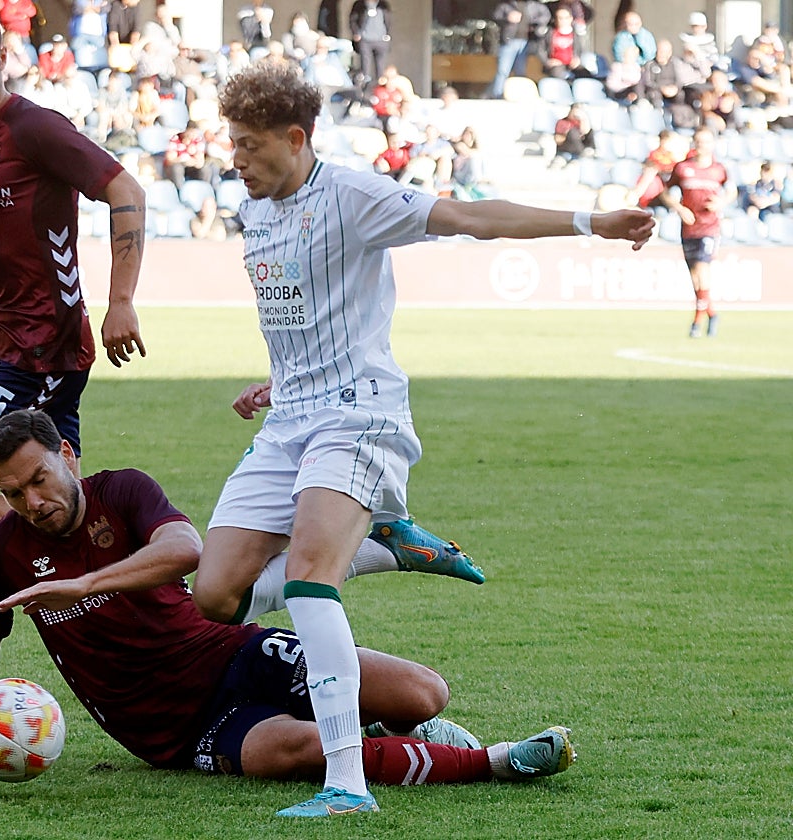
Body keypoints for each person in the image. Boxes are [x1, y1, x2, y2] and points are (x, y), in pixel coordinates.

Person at [191, 60, 651, 818]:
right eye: (231, 144)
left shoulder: (354, 195)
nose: (234, 159)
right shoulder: (258, 209)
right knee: (216, 594)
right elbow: (310, 314)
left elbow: (471, 218)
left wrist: (589, 223)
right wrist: (277, 381)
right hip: (292, 419)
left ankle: (345, 783)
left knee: (308, 580)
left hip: (358, 414)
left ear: (296, 137)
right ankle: (385, 546)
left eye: (247, 145)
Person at [0, 409, 577, 795]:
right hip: (176, 731)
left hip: (228, 653)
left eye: (39, 479)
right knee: (298, 751)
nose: (32, 501)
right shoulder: (0, 552)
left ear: (66, 454)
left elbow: (186, 548)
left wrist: (84, 584)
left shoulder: (122, 492)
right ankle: (494, 762)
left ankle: (387, 723)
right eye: (12, 493)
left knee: (424, 694)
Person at [0, 0, 146, 542]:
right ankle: (106, 563)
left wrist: (121, 300)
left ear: (2, 56)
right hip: (10, 343)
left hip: (42, 353)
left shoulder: (35, 128)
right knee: (61, 492)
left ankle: (100, 546)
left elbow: (125, 190)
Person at [659, 127, 729, 338]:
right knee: (695, 279)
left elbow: (732, 190)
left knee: (702, 270)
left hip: (710, 227)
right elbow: (664, 192)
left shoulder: (719, 169)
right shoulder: (683, 168)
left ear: (712, 144)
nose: (702, 145)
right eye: (698, 141)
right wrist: (679, 208)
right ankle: (712, 314)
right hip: (689, 228)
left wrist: (722, 202)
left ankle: (697, 324)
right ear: (694, 143)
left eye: (706, 141)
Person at [486, 0, 549, 100]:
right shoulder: (506, 5)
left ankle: (518, 95)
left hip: (526, 42)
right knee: (503, 71)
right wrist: (507, 18)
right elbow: (494, 16)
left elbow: (546, 15)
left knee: (520, 71)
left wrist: (534, 23)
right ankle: (497, 95)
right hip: (509, 41)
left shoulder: (534, 5)